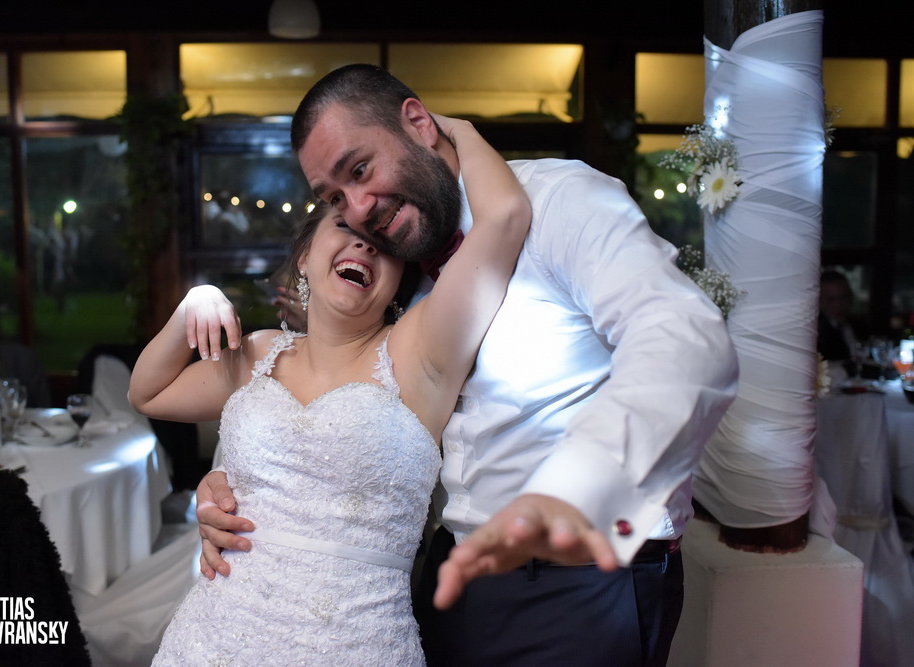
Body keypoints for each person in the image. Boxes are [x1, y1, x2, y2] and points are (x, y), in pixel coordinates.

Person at [196, 64, 739, 666]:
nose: (358, 208)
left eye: (360, 169)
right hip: (444, 577)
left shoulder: (560, 200)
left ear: (419, 124)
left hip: (580, 579)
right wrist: (241, 491)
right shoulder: (393, 273)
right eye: (334, 198)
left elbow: (684, 338)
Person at [129, 114, 531, 665]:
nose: (363, 248)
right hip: (215, 636)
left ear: (398, 281)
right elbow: (149, 393)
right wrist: (192, 305)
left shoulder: (419, 352)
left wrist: (449, 127)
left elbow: (504, 217)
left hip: (354, 644)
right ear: (303, 257)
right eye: (345, 229)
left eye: (380, 246)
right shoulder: (259, 355)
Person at [817, 269, 860, 363]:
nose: (839, 304)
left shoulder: (860, 325)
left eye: (844, 297)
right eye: (831, 299)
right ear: (819, 301)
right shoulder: (816, 333)